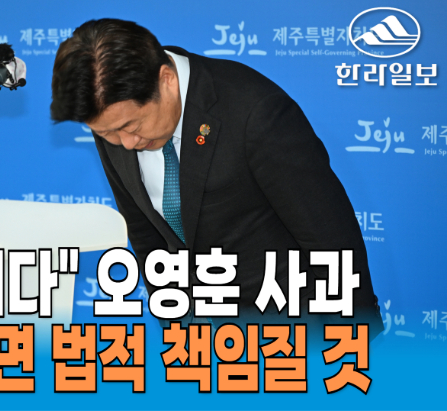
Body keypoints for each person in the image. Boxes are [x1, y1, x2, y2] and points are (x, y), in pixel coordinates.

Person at [50, 18, 383, 335]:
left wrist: (354, 341)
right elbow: (145, 234)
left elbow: (331, 241)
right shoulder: (112, 116)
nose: (126, 143)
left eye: (131, 126)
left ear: (166, 80)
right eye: (106, 133)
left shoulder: (255, 112)